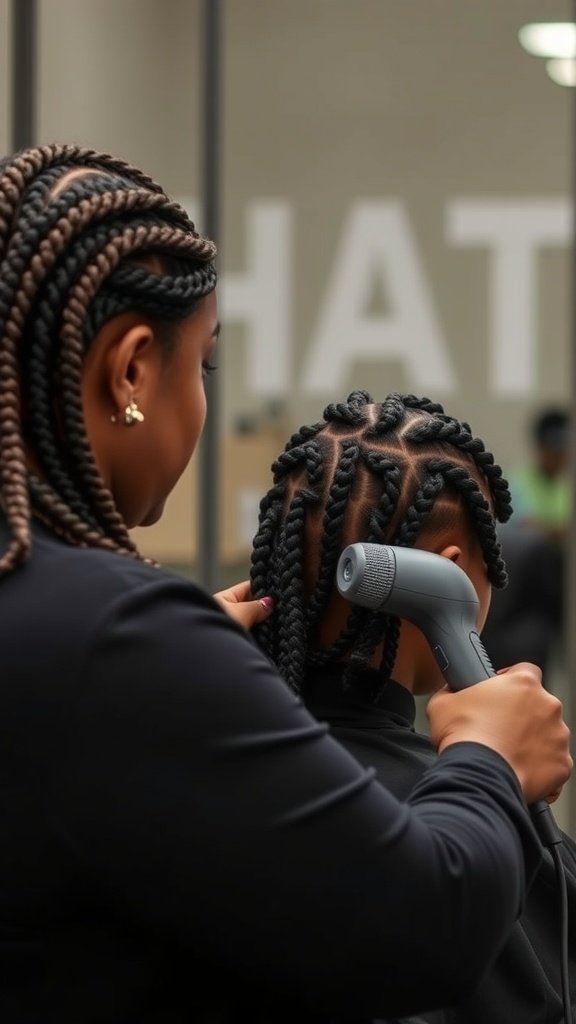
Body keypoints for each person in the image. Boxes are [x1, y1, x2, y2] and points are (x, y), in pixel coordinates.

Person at [0, 145, 571, 1024]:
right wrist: (491, 762)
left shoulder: (86, 643)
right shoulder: (112, 641)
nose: (200, 400)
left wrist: (176, 672)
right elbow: (420, 923)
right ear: (130, 369)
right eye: (205, 366)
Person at [250, 389, 576, 1024]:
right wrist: (510, 795)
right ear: (449, 575)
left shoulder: (204, 764)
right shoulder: (486, 825)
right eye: (492, 563)